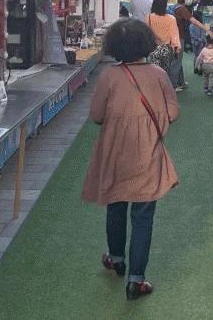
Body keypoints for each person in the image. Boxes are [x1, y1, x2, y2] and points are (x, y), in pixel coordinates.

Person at [83, 18, 179, 300]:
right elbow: (173, 113)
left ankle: (116, 259)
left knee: (115, 206)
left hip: (114, 153)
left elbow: (97, 116)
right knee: (143, 216)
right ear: (145, 43)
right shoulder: (159, 75)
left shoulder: (109, 77)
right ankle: (136, 280)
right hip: (148, 153)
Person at [146, 0, 182, 88]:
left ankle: (154, 90)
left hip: (152, 48)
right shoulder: (171, 18)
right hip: (166, 49)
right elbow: (174, 34)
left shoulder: (149, 17)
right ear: (165, 6)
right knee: (164, 72)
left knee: (153, 72)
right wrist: (177, 47)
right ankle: (165, 89)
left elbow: (146, 33)